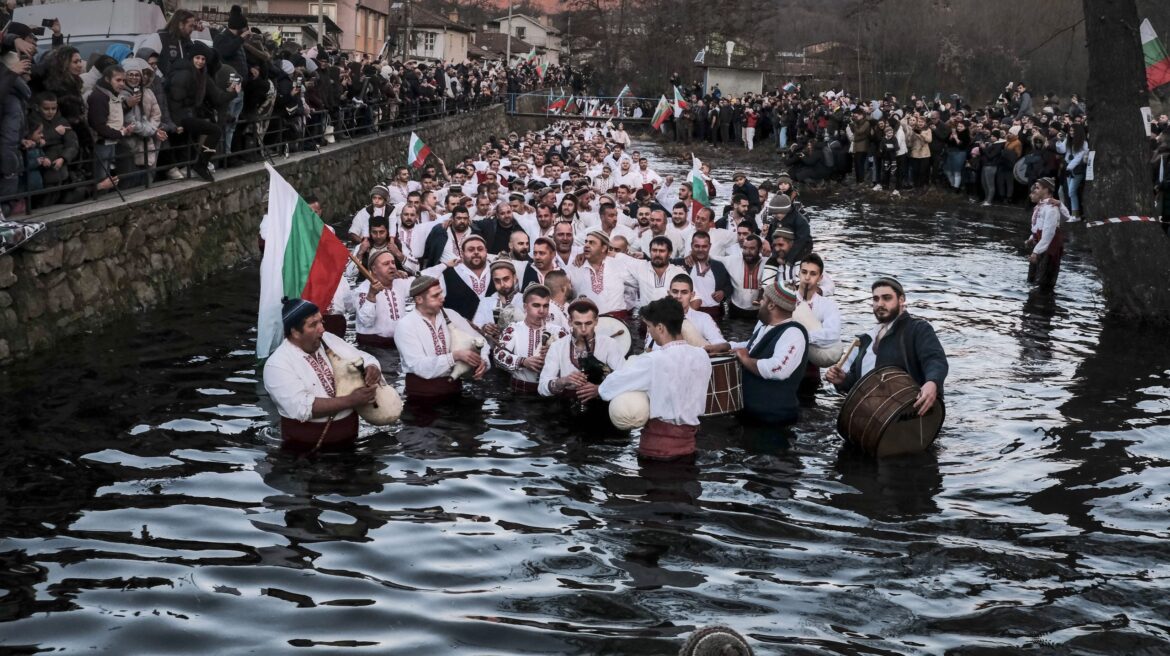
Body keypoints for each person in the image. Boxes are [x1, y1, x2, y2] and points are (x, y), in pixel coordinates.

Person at [598, 297, 711, 460]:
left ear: (660, 328)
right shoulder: (702, 356)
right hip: (689, 446)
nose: (649, 331)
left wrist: (599, 388)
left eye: (649, 326)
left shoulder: (653, 360)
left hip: (657, 449)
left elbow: (610, 387)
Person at [263, 297, 381, 452]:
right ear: (295, 332)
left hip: (351, 441)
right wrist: (351, 400)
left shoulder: (328, 340)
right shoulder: (277, 364)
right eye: (313, 325)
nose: (322, 329)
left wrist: (372, 367)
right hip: (306, 450)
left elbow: (363, 357)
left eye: (321, 322)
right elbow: (303, 407)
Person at [826, 277, 948, 417]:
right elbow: (858, 384)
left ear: (901, 300)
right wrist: (843, 380)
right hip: (870, 420)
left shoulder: (917, 329)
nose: (880, 303)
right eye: (876, 299)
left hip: (909, 415)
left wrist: (932, 382)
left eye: (887, 298)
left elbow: (935, 359)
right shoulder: (866, 339)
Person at [395, 275, 487, 401]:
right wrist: (454, 356)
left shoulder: (451, 315)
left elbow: (480, 339)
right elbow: (419, 366)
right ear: (419, 299)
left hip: (455, 391)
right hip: (421, 396)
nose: (442, 298)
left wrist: (482, 360)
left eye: (441, 293)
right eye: (435, 296)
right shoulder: (406, 325)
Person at [730, 280, 808, 426]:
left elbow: (778, 369)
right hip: (753, 415)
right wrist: (726, 346)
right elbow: (752, 347)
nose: (759, 302)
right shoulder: (767, 326)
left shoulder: (794, 333)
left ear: (771, 305)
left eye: (763, 299)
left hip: (773, 419)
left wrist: (745, 360)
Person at [538, 298, 626, 401]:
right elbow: (542, 388)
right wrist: (562, 381)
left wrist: (600, 389)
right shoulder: (557, 346)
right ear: (570, 322)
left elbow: (624, 379)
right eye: (578, 324)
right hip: (565, 407)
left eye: (588, 323)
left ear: (596, 321)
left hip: (600, 406)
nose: (583, 330)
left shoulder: (609, 344)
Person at [493, 284, 569, 394]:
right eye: (536, 305)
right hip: (520, 392)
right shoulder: (513, 329)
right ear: (525, 307)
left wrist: (554, 355)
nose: (541, 311)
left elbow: (572, 360)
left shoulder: (559, 332)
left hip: (551, 392)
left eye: (545, 306)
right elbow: (498, 355)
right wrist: (523, 362)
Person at [354, 250, 411, 349]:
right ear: (374, 269)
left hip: (398, 343)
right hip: (373, 346)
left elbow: (423, 280)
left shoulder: (400, 283)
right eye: (386, 264)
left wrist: (444, 265)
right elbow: (366, 322)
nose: (392, 266)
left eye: (393, 263)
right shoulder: (362, 290)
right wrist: (371, 295)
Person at [1025, 177, 1064, 291]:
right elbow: (1038, 227)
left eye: (1037, 188)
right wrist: (1032, 238)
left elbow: (1048, 233)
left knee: (1043, 283)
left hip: (1049, 248)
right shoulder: (1040, 206)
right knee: (1032, 279)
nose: (1035, 190)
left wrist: (1036, 252)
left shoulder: (1051, 208)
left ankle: (1041, 303)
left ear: (1046, 190)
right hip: (1040, 245)